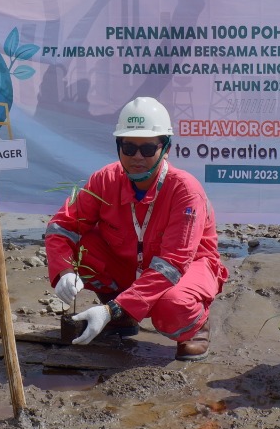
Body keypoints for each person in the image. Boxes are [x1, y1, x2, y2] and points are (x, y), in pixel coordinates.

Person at [46, 96, 229, 361]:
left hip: (188, 267)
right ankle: (123, 316)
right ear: (118, 146)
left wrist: (111, 310)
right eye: (129, 148)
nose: (137, 157)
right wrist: (64, 271)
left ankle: (194, 328)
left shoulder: (185, 191)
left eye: (148, 148)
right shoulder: (104, 179)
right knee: (84, 246)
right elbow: (62, 227)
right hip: (129, 262)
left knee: (172, 306)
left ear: (165, 147)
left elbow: (172, 265)